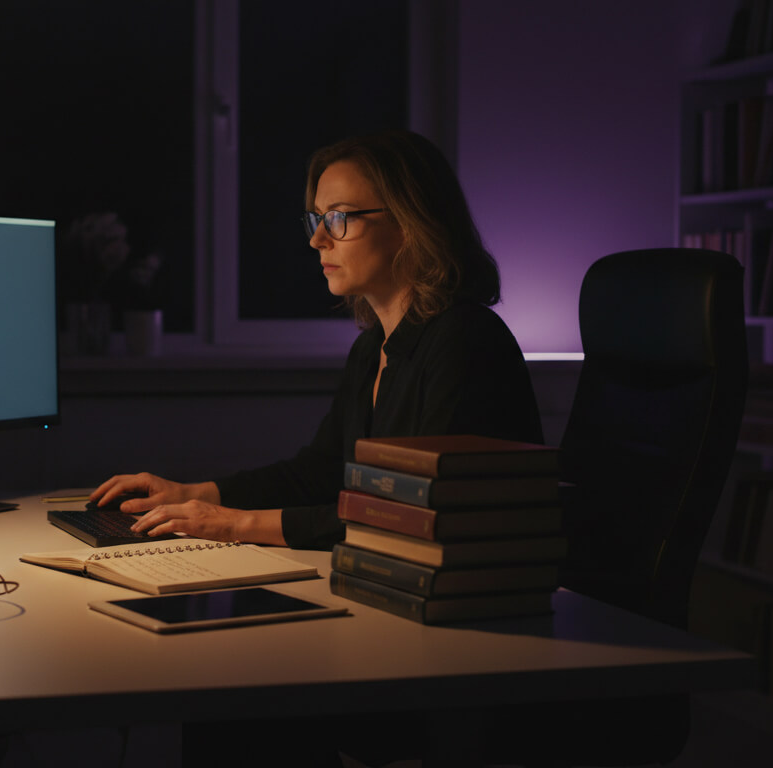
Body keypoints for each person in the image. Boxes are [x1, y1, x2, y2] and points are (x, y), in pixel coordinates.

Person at [92, 129, 543, 553]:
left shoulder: (466, 342)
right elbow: (322, 473)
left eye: (338, 218)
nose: (317, 239)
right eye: (317, 218)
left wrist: (233, 524)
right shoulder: (372, 349)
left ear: (410, 222)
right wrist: (192, 493)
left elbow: (411, 515)